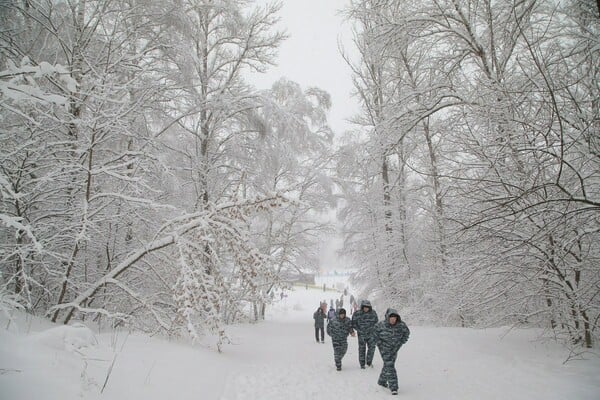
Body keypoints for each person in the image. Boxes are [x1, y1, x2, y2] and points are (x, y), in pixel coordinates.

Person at [372, 308, 410, 395]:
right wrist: (380, 344)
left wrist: (401, 343)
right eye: (391, 317)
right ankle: (394, 387)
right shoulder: (380, 325)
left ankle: (381, 381)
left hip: (395, 349)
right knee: (390, 365)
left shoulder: (401, 325)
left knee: (388, 365)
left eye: (394, 318)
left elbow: (406, 333)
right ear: (387, 317)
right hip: (384, 349)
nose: (393, 319)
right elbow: (374, 335)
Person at [351, 299, 379, 369]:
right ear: (362, 307)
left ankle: (369, 363)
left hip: (371, 335)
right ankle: (362, 364)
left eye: (367, 307)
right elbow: (353, 323)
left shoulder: (373, 313)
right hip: (361, 335)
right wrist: (359, 330)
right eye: (364, 307)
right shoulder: (357, 313)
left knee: (372, 348)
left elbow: (376, 322)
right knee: (361, 349)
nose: (366, 308)